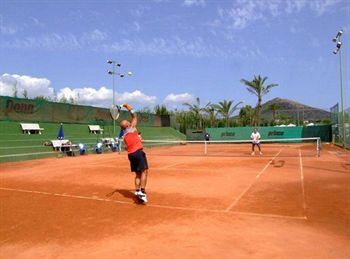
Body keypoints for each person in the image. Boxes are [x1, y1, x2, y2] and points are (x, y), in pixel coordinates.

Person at [119, 103, 149, 203]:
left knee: (137, 174)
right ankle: (143, 192)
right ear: (127, 125)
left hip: (131, 155)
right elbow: (134, 116)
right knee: (144, 171)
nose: (129, 121)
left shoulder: (124, 134)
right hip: (138, 153)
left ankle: (137, 191)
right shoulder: (132, 128)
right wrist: (128, 107)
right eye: (128, 122)